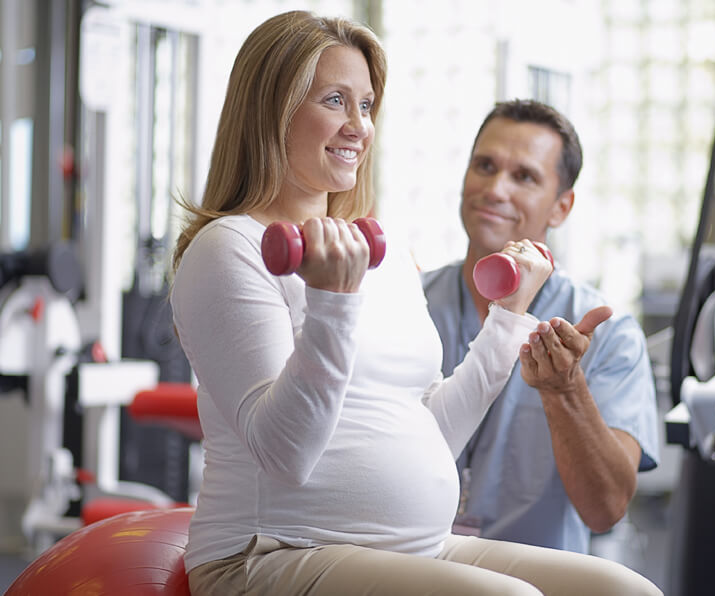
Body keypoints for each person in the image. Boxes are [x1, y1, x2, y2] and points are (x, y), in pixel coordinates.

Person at [170, 11, 662, 595]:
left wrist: (508, 319)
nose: (358, 126)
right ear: (271, 108)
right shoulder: (229, 247)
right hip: (273, 549)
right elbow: (285, 454)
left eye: (367, 106)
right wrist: (331, 302)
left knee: (626, 591)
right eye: (334, 100)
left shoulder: (383, 251)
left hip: (411, 547)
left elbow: (431, 434)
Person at [422, 99, 660, 555]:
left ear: (561, 207)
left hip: (534, 577)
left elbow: (606, 508)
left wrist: (564, 390)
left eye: (524, 176)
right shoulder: (410, 303)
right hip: (412, 570)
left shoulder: (608, 333)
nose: (495, 189)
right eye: (484, 166)